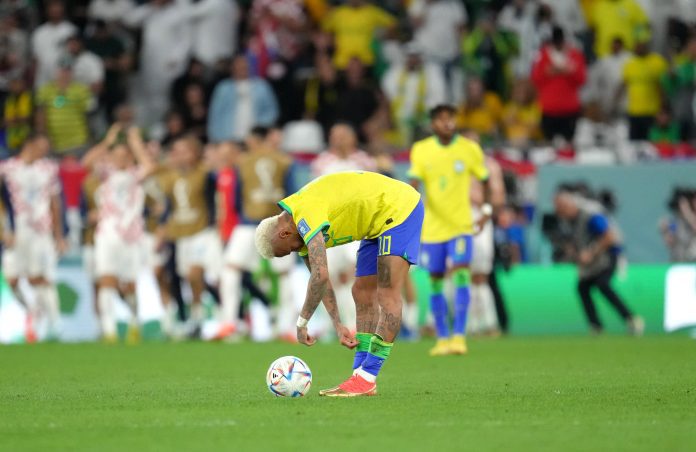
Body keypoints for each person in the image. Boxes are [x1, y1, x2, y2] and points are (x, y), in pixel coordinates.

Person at [255, 171, 423, 397]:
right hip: (375, 221)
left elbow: (320, 276)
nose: (295, 251)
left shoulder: (304, 214)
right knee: (361, 291)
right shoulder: (297, 229)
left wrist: (302, 321)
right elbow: (320, 279)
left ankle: (367, 377)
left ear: (284, 233)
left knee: (387, 293)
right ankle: (359, 376)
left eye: (289, 250)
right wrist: (337, 324)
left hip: (399, 209)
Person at [409, 104, 492, 356]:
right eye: (441, 119)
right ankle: (442, 337)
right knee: (435, 280)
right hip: (433, 229)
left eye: (451, 118)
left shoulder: (469, 149)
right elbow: (414, 183)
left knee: (461, 273)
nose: (447, 123)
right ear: (433, 124)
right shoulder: (421, 150)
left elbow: (485, 179)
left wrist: (486, 211)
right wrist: (410, 213)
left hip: (460, 226)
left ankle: (459, 336)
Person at [82, 124, 156, 342]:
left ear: (130, 157)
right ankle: (110, 330)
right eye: (116, 155)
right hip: (107, 234)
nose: (120, 159)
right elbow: (86, 162)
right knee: (106, 280)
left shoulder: (135, 175)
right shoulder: (106, 174)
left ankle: (134, 322)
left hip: (131, 237)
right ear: (110, 157)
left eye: (125, 156)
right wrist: (107, 141)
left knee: (129, 285)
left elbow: (150, 166)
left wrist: (135, 142)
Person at [219, 127, 294, 340]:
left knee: (231, 268)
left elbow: (236, 199)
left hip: (249, 223)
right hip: (277, 223)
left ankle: (229, 322)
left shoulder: (242, 163)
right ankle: (286, 327)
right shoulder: (284, 161)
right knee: (284, 275)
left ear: (253, 140)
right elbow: (293, 195)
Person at [0, 133, 66, 341]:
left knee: (40, 278)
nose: (44, 151)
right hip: (16, 231)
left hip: (40, 231)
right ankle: (32, 311)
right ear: (28, 145)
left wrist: (59, 235)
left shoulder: (48, 169)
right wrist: (3, 230)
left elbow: (55, 203)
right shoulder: (7, 168)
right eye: (41, 147)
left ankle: (55, 324)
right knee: (11, 279)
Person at [554, 191, 644, 335]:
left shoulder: (591, 216)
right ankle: (596, 326)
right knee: (583, 287)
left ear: (568, 205)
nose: (558, 212)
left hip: (608, 256)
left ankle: (632, 319)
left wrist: (591, 252)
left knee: (603, 285)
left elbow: (609, 237)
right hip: (591, 262)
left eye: (560, 208)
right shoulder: (569, 222)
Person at [159, 135, 221, 336]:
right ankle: (197, 316)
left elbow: (216, 198)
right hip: (181, 235)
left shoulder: (205, 174)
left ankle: (223, 316)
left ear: (195, 153)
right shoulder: (171, 177)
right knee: (189, 278)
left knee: (199, 274)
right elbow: (169, 205)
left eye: (184, 151)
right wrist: (164, 227)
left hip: (202, 232)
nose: (179, 156)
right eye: (176, 152)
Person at [469, 154, 506, 337]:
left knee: (480, 275)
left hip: (480, 217)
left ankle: (489, 324)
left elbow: (498, 198)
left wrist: (485, 209)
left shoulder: (489, 165)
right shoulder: (450, 160)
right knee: (459, 273)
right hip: (455, 220)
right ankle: (471, 324)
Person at [531, 26, 586, 144]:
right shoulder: (542, 55)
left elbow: (582, 79)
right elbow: (535, 78)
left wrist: (569, 72)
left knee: (569, 143)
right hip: (549, 108)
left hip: (569, 108)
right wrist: (549, 72)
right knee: (548, 144)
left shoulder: (575, 55)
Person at [207, 55, 279, 143]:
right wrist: (214, 136)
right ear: (232, 68)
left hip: (255, 138)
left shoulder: (261, 86)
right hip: (228, 138)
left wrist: (261, 126)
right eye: (238, 66)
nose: (242, 69)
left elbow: (271, 111)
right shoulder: (223, 87)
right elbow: (215, 114)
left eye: (244, 66)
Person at [35, 62, 92, 156]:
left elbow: (89, 116)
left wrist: (89, 138)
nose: (65, 74)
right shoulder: (45, 90)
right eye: (62, 70)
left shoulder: (81, 90)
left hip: (78, 142)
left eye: (68, 70)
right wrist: (43, 136)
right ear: (56, 72)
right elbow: (40, 115)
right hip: (53, 144)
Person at [321, 0, 395, 70]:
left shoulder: (371, 12)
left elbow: (393, 24)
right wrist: (330, 42)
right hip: (342, 62)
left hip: (366, 61)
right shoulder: (338, 13)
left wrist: (382, 37)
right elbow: (324, 29)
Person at [618, 39, 667, 141]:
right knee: (634, 143)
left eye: (641, 46)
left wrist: (663, 107)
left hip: (651, 112)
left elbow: (662, 86)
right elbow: (624, 84)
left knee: (649, 143)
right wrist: (615, 102)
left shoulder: (656, 62)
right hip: (634, 111)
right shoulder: (630, 64)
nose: (638, 48)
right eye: (637, 46)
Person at [31, 0, 77, 88]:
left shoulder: (71, 30)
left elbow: (75, 56)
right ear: (47, 10)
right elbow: (35, 59)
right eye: (52, 8)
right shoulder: (39, 32)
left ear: (63, 9)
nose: (55, 10)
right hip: (43, 80)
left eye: (57, 7)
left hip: (64, 80)